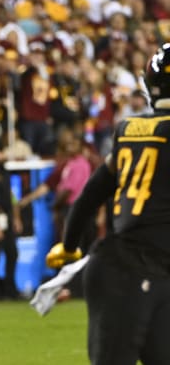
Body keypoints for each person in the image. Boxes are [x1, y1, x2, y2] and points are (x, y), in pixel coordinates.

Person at [47, 42, 170, 364]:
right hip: (132, 269)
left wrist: (70, 245)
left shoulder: (130, 129)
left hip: (135, 267)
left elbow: (92, 193)